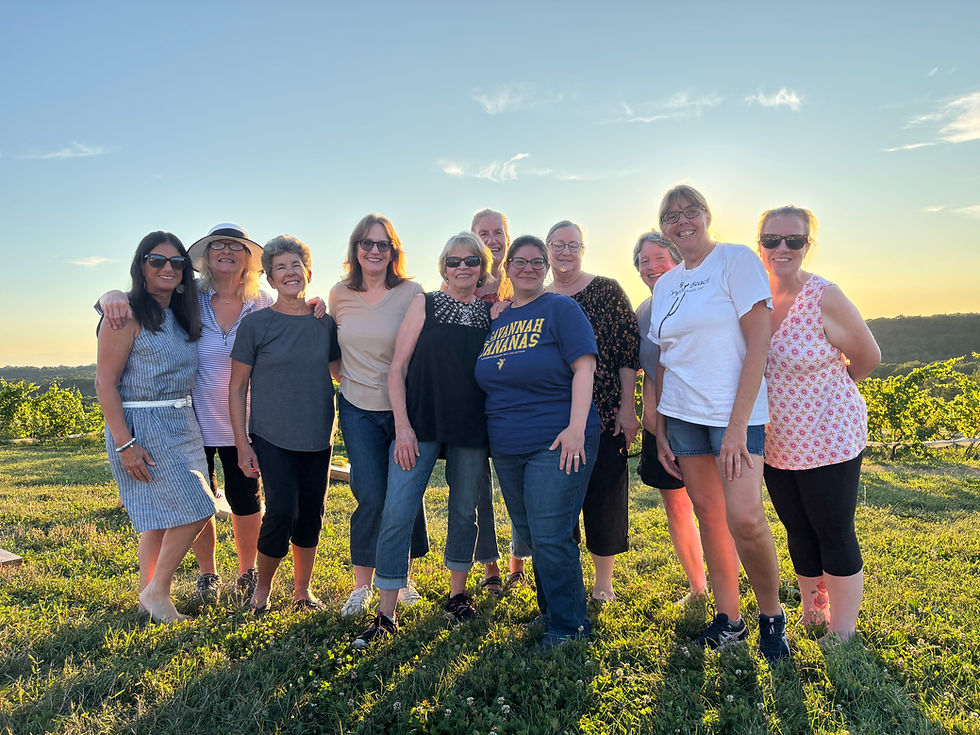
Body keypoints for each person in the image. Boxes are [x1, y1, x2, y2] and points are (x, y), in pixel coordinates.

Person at [98, 223, 325, 602]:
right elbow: (145, 299)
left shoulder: (263, 302)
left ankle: (248, 570)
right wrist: (111, 295)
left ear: (250, 260)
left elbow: (293, 310)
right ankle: (208, 574)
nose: (226, 251)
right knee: (203, 497)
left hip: (248, 420)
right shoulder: (191, 299)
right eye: (217, 245)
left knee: (245, 498)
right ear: (204, 257)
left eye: (235, 246)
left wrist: (315, 305)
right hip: (191, 420)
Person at [649, 184, 790, 664]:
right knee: (710, 517)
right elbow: (666, 358)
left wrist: (736, 427)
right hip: (683, 416)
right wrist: (663, 427)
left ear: (707, 216)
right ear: (664, 228)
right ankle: (729, 619)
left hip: (735, 416)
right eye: (671, 216)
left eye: (690, 212)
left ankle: (772, 616)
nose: (682, 221)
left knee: (746, 517)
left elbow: (760, 344)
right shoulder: (666, 283)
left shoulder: (735, 260)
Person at [354, 233, 493, 646]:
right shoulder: (425, 303)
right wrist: (403, 427)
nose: (462, 267)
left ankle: (457, 594)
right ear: (443, 266)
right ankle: (386, 613)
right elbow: (396, 368)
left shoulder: (491, 313)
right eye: (454, 261)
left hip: (471, 426)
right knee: (398, 510)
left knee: (464, 509)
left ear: (482, 267)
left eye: (471, 260)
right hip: (420, 422)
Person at [758, 206, 880, 642]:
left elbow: (868, 357)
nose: (782, 248)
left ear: (808, 245)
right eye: (772, 239)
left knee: (833, 529)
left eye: (794, 240)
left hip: (830, 437)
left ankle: (843, 630)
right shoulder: (754, 296)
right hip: (776, 441)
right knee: (797, 528)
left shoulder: (825, 296)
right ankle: (814, 613)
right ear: (760, 244)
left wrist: (830, 393)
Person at [475, 235, 600, 649]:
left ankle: (568, 627)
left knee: (550, 531)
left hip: (558, 437)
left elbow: (585, 367)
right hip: (507, 445)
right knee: (530, 529)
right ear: (506, 268)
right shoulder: (498, 319)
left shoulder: (561, 308)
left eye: (537, 262)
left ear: (546, 268)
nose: (528, 268)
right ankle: (552, 608)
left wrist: (575, 428)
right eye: (520, 261)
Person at [95, 231, 214, 623]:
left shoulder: (181, 313)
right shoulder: (124, 313)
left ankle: (147, 595)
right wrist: (125, 443)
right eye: (156, 260)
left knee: (162, 515)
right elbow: (105, 384)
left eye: (176, 262)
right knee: (200, 506)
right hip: (143, 424)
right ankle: (158, 591)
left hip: (184, 422)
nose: (167, 268)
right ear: (141, 266)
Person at [229, 235, 341, 613]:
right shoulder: (256, 325)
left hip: (318, 434)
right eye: (281, 268)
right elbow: (237, 386)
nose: (290, 273)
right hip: (271, 435)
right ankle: (262, 589)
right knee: (281, 511)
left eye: (297, 266)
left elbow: (341, 372)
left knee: (311, 512)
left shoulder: (325, 324)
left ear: (308, 273)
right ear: (271, 280)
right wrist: (242, 444)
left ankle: (302, 590)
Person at [329, 214, 428, 617]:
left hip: (404, 408)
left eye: (382, 244)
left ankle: (401, 577)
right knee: (369, 494)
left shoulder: (412, 292)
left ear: (393, 252)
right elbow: (332, 350)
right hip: (357, 409)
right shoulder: (338, 295)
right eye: (366, 243)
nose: (374, 250)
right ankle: (362, 585)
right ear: (355, 249)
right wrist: (351, 380)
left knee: (403, 494)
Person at [542, 220, 640, 603]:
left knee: (604, 497)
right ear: (548, 249)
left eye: (573, 245)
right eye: (558, 244)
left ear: (583, 249)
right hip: (552, 418)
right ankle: (565, 580)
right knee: (557, 502)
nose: (565, 252)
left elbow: (627, 352)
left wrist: (628, 408)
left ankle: (603, 583)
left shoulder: (607, 291)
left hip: (604, 411)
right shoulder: (538, 297)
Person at [632, 231, 708, 604]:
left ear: (677, 258)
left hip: (698, 419)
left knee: (716, 509)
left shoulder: (700, 300)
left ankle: (732, 587)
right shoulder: (642, 313)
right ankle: (698, 586)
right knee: (677, 508)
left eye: (659, 257)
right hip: (658, 425)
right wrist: (650, 422)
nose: (651, 266)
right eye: (644, 261)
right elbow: (648, 372)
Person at [468, 208, 514, 594]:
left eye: (497, 232)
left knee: (518, 478)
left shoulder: (523, 279)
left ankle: (519, 559)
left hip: (516, 400)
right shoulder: (463, 280)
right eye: (483, 233)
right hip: (472, 398)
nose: (491, 240)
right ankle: (490, 567)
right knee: (477, 484)